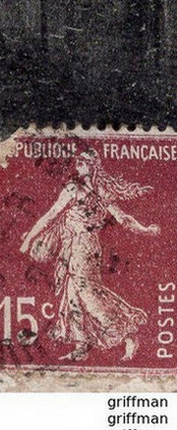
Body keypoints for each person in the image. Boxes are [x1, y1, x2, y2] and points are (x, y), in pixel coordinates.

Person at [18, 148, 157, 362]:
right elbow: (52, 216)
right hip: (79, 245)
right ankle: (81, 345)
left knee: (87, 292)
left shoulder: (82, 190)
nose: (78, 166)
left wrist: (28, 240)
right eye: (78, 163)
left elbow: (122, 218)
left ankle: (126, 334)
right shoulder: (86, 189)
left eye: (82, 163)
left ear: (92, 166)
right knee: (72, 293)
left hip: (82, 246)